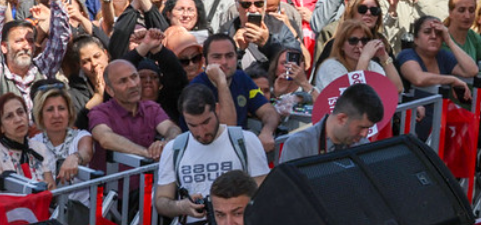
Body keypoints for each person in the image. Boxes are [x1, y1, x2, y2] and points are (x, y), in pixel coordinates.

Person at [154, 85, 268, 224]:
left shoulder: (246, 141)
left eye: (206, 122)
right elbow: (161, 202)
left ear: (217, 109)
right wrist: (183, 206)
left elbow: (263, 194)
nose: (201, 132)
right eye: (193, 125)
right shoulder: (174, 149)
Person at [88, 60, 181, 170]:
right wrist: (146, 153)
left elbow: (172, 129)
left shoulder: (151, 108)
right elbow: (105, 138)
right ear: (110, 90)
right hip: (112, 185)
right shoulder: (100, 112)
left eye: (134, 77)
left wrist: (166, 144)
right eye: (123, 81)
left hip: (147, 184)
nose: (132, 85)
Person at [31, 84, 94, 223]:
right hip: (46, 216)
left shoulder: (81, 136)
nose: (56, 115)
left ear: (70, 113)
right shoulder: (33, 143)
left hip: (79, 216)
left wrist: (75, 157)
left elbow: (86, 151)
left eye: (61, 108)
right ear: (40, 115)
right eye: (49, 110)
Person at [278, 83, 385, 163]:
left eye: (368, 128)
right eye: (361, 127)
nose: (365, 134)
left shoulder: (363, 145)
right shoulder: (299, 145)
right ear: (342, 118)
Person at [312, 18, 403, 93]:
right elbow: (352, 98)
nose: (360, 45)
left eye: (364, 40)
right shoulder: (330, 66)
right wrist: (363, 60)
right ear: (341, 45)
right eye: (353, 40)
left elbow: (397, 89)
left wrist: (384, 57)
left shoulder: (371, 65)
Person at [397, 16, 478, 100]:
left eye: (439, 33)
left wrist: (449, 41)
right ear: (416, 39)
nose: (433, 36)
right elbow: (418, 79)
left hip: (440, 111)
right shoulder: (406, 54)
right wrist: (452, 79)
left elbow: (472, 70)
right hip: (415, 112)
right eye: (427, 32)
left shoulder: (442, 55)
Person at [0, 93, 55, 186]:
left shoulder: (39, 148)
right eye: (9, 116)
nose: (18, 119)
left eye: (20, 112)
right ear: (1, 127)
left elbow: (53, 190)